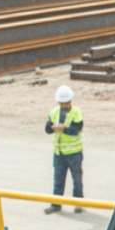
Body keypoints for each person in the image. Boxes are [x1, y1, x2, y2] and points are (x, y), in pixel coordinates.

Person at [45, 84, 84, 214]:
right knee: (58, 180)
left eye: (66, 103)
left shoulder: (76, 112)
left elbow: (77, 129)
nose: (64, 105)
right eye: (62, 103)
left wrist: (64, 129)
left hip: (74, 153)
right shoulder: (54, 112)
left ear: (70, 101)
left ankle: (79, 204)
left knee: (77, 180)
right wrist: (52, 128)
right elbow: (47, 129)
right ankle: (56, 204)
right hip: (59, 153)